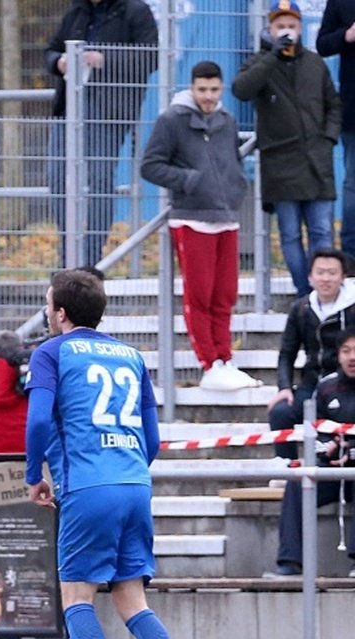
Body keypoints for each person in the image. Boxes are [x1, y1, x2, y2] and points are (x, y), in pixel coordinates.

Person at [24, 269, 199, 639]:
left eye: (47, 302)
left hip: (87, 485)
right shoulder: (130, 355)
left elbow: (39, 420)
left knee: (77, 598)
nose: (46, 310)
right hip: (135, 483)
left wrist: (32, 474)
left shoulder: (50, 352)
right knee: (131, 598)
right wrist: (129, 471)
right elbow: (154, 437)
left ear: (60, 311)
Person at [142, 60, 259, 390]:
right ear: (192, 88)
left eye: (214, 89)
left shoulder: (227, 119)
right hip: (191, 218)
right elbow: (151, 166)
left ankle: (225, 359)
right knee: (200, 295)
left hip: (226, 218)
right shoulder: (171, 120)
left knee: (225, 294)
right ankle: (208, 363)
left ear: (221, 89)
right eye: (202, 90)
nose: (208, 96)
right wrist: (189, 181)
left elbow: (233, 161)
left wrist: (235, 188)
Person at [232, 1, 341, 297]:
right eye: (280, 26)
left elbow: (333, 104)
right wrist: (272, 55)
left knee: (321, 232)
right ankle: (304, 293)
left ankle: (324, 293)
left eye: (292, 26)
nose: (287, 31)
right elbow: (241, 89)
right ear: (270, 30)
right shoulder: (260, 63)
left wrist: (328, 139)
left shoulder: (315, 63)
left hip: (317, 164)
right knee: (291, 235)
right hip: (281, 165)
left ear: (301, 29)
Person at [45, 0, 158, 268]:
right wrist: (58, 62)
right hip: (68, 107)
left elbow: (151, 56)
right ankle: (68, 252)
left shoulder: (135, 11)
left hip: (110, 109)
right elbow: (51, 49)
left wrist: (105, 58)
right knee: (57, 178)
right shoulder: (76, 12)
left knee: (99, 180)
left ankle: (90, 259)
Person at [265, 328, 355, 578]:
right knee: (297, 482)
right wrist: (329, 450)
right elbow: (313, 433)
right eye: (346, 351)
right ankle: (289, 563)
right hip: (331, 469)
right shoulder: (326, 388)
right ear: (337, 355)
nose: (352, 357)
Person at [268, 249, 355, 459]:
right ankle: (286, 467)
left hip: (346, 385)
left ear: (343, 277)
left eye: (332, 273)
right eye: (320, 272)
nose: (326, 279)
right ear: (310, 276)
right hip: (312, 383)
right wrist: (285, 387)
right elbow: (287, 353)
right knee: (280, 412)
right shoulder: (301, 309)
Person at [317, 0, 355, 260]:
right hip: (353, 110)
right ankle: (351, 257)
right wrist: (347, 35)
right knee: (353, 184)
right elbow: (323, 44)